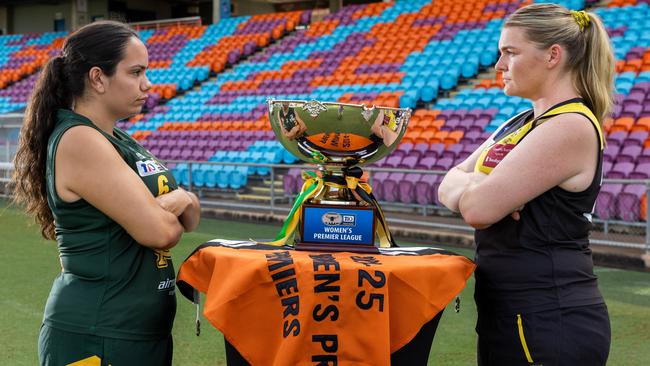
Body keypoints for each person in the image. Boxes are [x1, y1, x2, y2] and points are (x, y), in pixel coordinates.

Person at [11, 21, 200, 365]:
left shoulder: (116, 138)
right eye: (136, 72)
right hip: (98, 335)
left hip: (135, 333)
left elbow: (191, 215)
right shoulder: (80, 139)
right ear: (98, 78)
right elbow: (162, 232)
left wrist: (180, 200)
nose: (147, 84)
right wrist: (178, 201)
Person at [438, 4, 613, 366]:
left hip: (548, 319)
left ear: (553, 56)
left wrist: (479, 189)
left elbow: (477, 209)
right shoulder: (522, 120)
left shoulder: (570, 125)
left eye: (510, 53)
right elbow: (446, 185)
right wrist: (483, 186)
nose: (499, 66)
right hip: (510, 315)